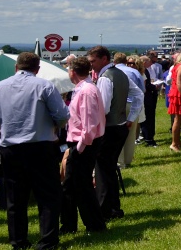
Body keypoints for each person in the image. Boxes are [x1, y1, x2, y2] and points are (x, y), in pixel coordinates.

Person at [0, 52, 69, 250]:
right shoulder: (45, 86)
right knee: (47, 194)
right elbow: (62, 115)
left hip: (10, 148)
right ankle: (48, 241)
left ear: (16, 67)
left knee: (15, 197)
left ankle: (18, 241)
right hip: (40, 146)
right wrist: (52, 123)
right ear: (37, 69)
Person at [87, 45, 139, 221]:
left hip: (108, 128)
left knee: (102, 170)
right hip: (120, 126)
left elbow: (103, 108)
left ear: (104, 59)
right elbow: (138, 94)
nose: (91, 64)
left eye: (93, 61)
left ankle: (104, 210)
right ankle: (114, 208)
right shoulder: (121, 74)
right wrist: (130, 117)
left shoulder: (105, 78)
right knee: (109, 169)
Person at [60, 56, 107, 234]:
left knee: (80, 185)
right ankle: (71, 224)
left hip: (84, 144)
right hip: (83, 142)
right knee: (73, 185)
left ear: (72, 72)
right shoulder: (84, 88)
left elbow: (89, 125)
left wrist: (78, 149)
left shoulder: (86, 91)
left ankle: (93, 224)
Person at [114, 53, 145, 168]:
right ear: (126, 61)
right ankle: (127, 159)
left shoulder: (112, 72)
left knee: (117, 134)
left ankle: (119, 161)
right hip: (133, 104)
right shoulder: (135, 72)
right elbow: (142, 90)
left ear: (114, 61)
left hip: (118, 105)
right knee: (131, 134)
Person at [139, 55, 159, 147]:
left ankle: (146, 136)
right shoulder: (144, 71)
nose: (151, 63)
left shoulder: (143, 70)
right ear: (144, 62)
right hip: (146, 97)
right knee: (148, 118)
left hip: (145, 96)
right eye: (149, 62)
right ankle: (148, 138)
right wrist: (154, 87)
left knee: (146, 118)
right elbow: (146, 85)